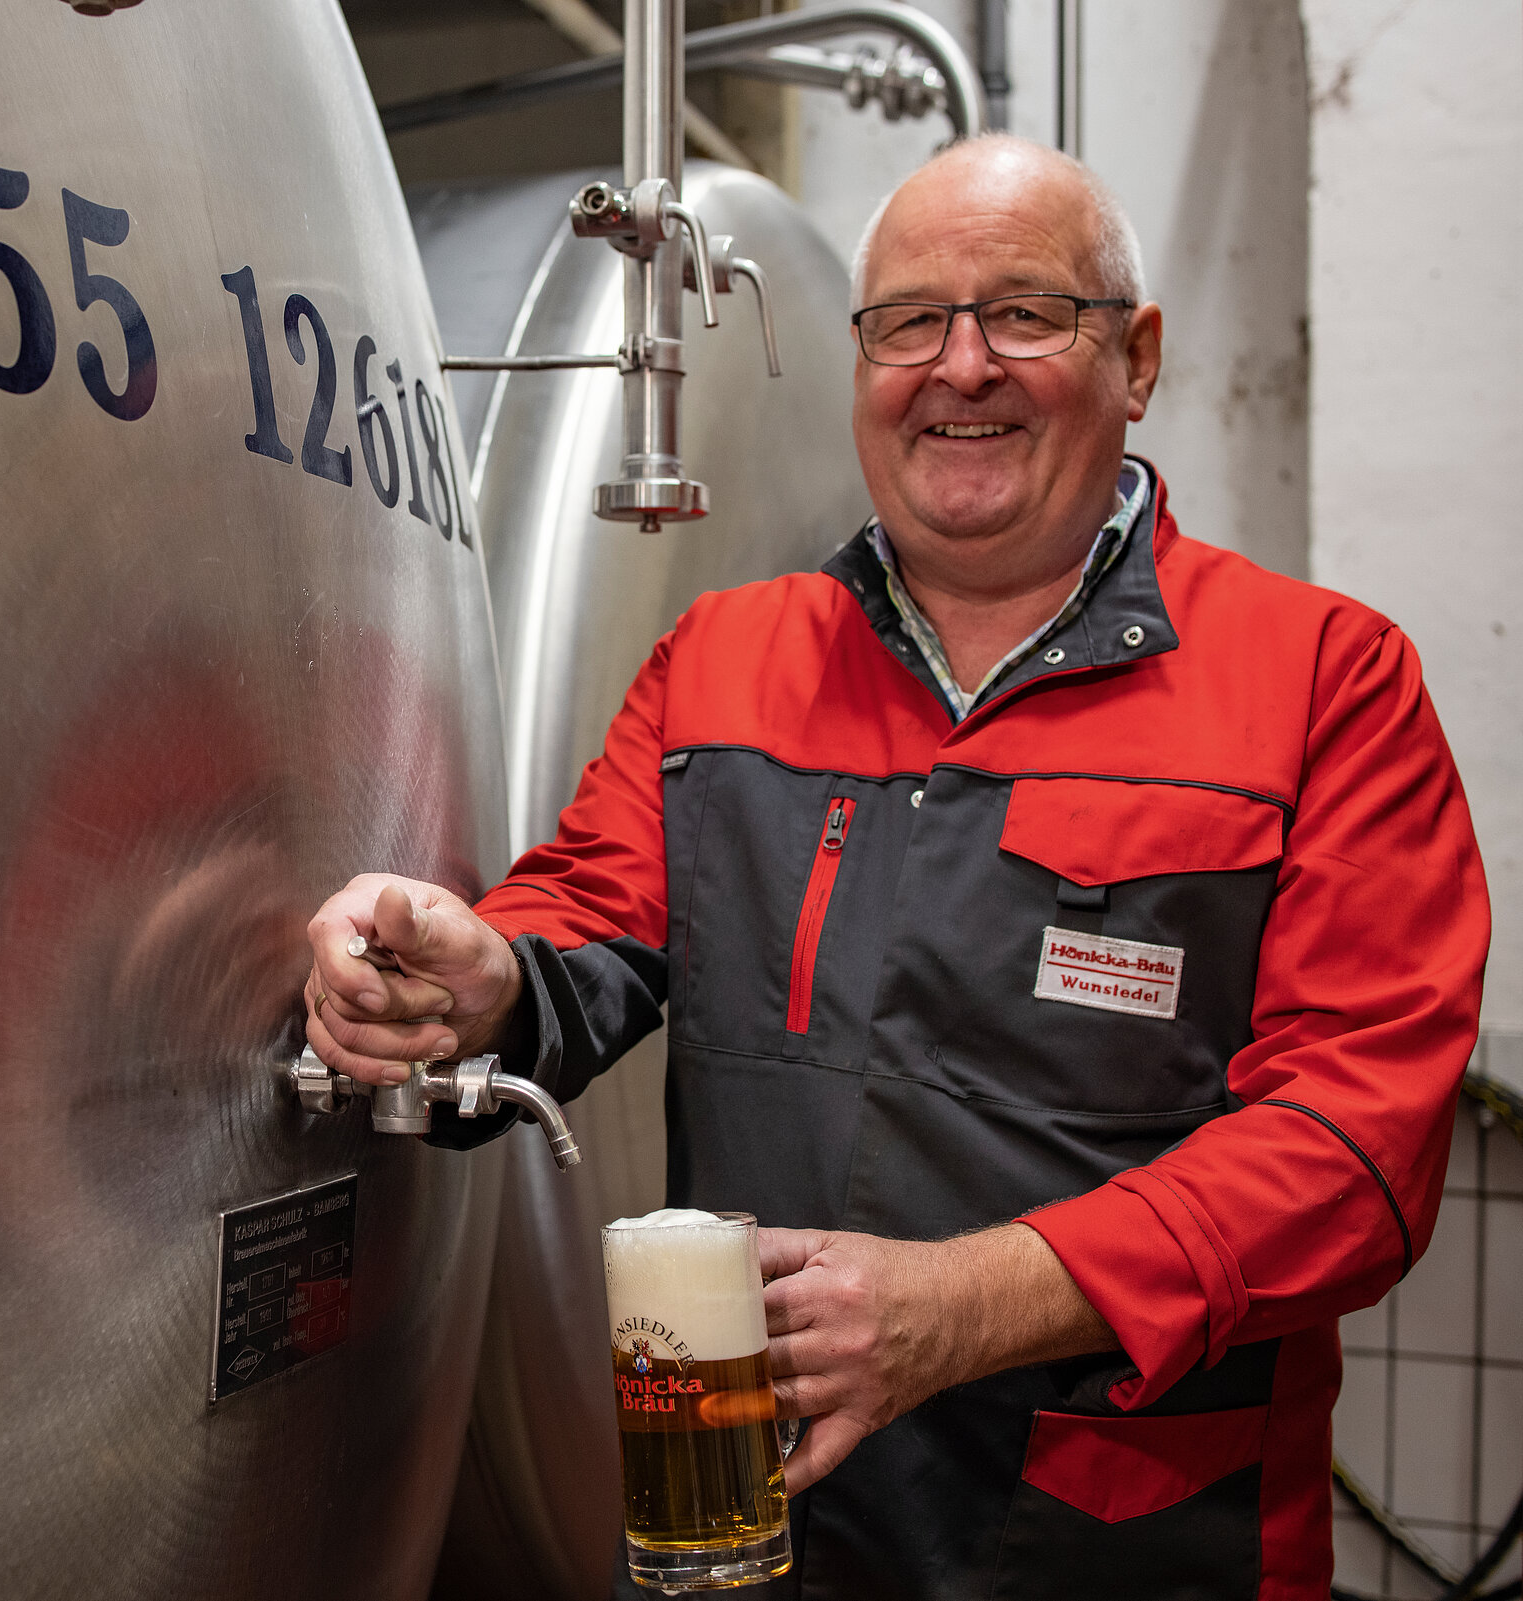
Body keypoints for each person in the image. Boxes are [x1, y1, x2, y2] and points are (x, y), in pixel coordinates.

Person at [302, 135, 1488, 1600]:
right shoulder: (724, 660)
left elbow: (1354, 1150)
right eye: (909, 321)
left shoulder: (1324, 683)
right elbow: (591, 919)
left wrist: (961, 1306)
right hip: (764, 1533)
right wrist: (479, 974)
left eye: (1028, 313)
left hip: (1125, 1543)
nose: (960, 365)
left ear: (1139, 358)